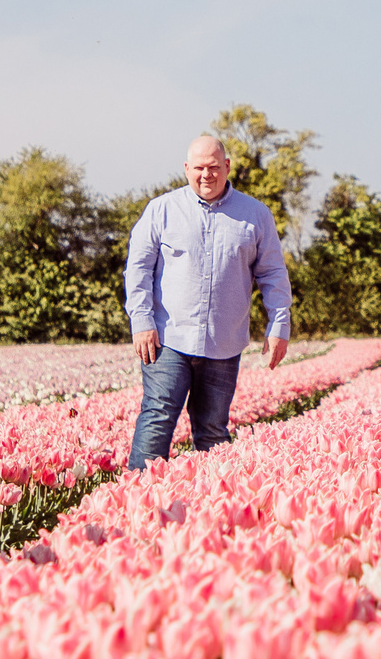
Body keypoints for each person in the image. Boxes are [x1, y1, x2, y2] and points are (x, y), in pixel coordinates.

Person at [123, 133, 292, 469]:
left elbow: (273, 273)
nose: (206, 175)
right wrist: (141, 321)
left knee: (213, 431)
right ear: (186, 169)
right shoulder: (162, 210)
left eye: (214, 167)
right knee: (157, 419)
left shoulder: (255, 214)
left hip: (223, 342)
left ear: (227, 167)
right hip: (168, 338)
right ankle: (135, 503)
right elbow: (138, 268)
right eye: (199, 167)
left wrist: (279, 325)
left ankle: (212, 510)